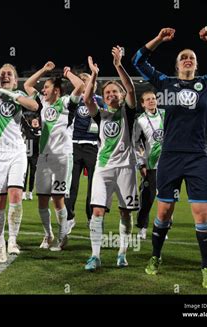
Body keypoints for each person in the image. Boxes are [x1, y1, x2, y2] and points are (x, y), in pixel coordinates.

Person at [132, 26, 207, 288]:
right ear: (176, 64)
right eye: (183, 56)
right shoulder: (165, 83)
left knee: (202, 216)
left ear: (196, 64)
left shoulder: (206, 83)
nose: (187, 59)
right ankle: (155, 256)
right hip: (170, 158)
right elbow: (137, 60)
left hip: (196, 158)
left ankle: (206, 268)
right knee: (163, 213)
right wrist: (159, 39)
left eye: (192, 57)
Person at [0, 17, 40, 263]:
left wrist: (9, 93)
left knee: (15, 194)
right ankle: (0, 243)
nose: (5, 76)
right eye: (2, 74)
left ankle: (13, 240)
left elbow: (34, 105)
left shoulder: (16, 94)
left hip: (16, 151)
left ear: (15, 80)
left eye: (9, 74)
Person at [83, 47, 139, 271]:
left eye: (115, 92)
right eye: (107, 94)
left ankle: (122, 252)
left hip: (126, 167)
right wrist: (94, 76)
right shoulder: (101, 115)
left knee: (125, 212)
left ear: (121, 95)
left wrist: (118, 65)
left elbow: (132, 90)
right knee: (97, 211)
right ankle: (95, 256)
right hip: (103, 167)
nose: (111, 95)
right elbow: (87, 99)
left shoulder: (129, 111)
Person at [24, 62, 82, 251]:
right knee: (42, 200)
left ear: (56, 90)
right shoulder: (41, 102)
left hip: (62, 157)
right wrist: (43, 70)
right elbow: (27, 86)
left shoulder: (66, 102)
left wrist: (68, 73)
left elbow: (80, 86)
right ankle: (48, 235)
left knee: (58, 199)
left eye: (47, 86)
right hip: (44, 157)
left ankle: (62, 236)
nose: (43, 89)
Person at [65, 71, 103, 233]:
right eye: (81, 81)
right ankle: (69, 218)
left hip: (93, 146)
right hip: (74, 145)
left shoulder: (100, 100)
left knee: (93, 186)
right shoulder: (72, 100)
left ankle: (91, 217)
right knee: (70, 185)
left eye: (86, 80)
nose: (84, 83)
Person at [133, 91, 165, 239]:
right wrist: (141, 163)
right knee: (147, 199)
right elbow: (137, 143)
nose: (152, 101)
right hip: (151, 165)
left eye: (153, 98)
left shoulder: (166, 114)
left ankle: (163, 228)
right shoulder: (140, 121)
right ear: (142, 103)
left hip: (168, 164)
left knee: (166, 199)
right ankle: (142, 227)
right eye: (148, 99)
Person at [21, 115, 40, 201]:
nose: (35, 122)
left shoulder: (41, 131)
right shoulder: (28, 129)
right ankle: (24, 192)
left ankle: (30, 192)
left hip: (35, 156)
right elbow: (23, 121)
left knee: (32, 174)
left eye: (36, 122)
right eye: (33, 121)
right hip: (27, 154)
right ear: (31, 123)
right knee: (25, 174)